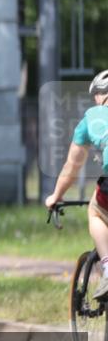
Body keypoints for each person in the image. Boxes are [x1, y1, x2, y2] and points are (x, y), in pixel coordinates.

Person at [45, 70, 108, 301]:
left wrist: (56, 195)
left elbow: (71, 168)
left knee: (96, 211)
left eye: (96, 95)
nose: (95, 101)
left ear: (103, 95)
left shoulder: (93, 118)